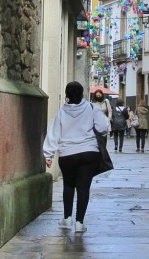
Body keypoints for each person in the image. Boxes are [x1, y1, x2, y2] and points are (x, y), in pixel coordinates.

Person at [43, 81, 111, 234]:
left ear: (66, 95)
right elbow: (103, 127)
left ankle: (67, 219)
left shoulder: (61, 112)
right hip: (89, 153)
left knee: (68, 185)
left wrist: (48, 154)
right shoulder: (92, 108)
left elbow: (53, 133)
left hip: (67, 154)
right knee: (83, 188)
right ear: (82, 94)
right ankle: (79, 223)